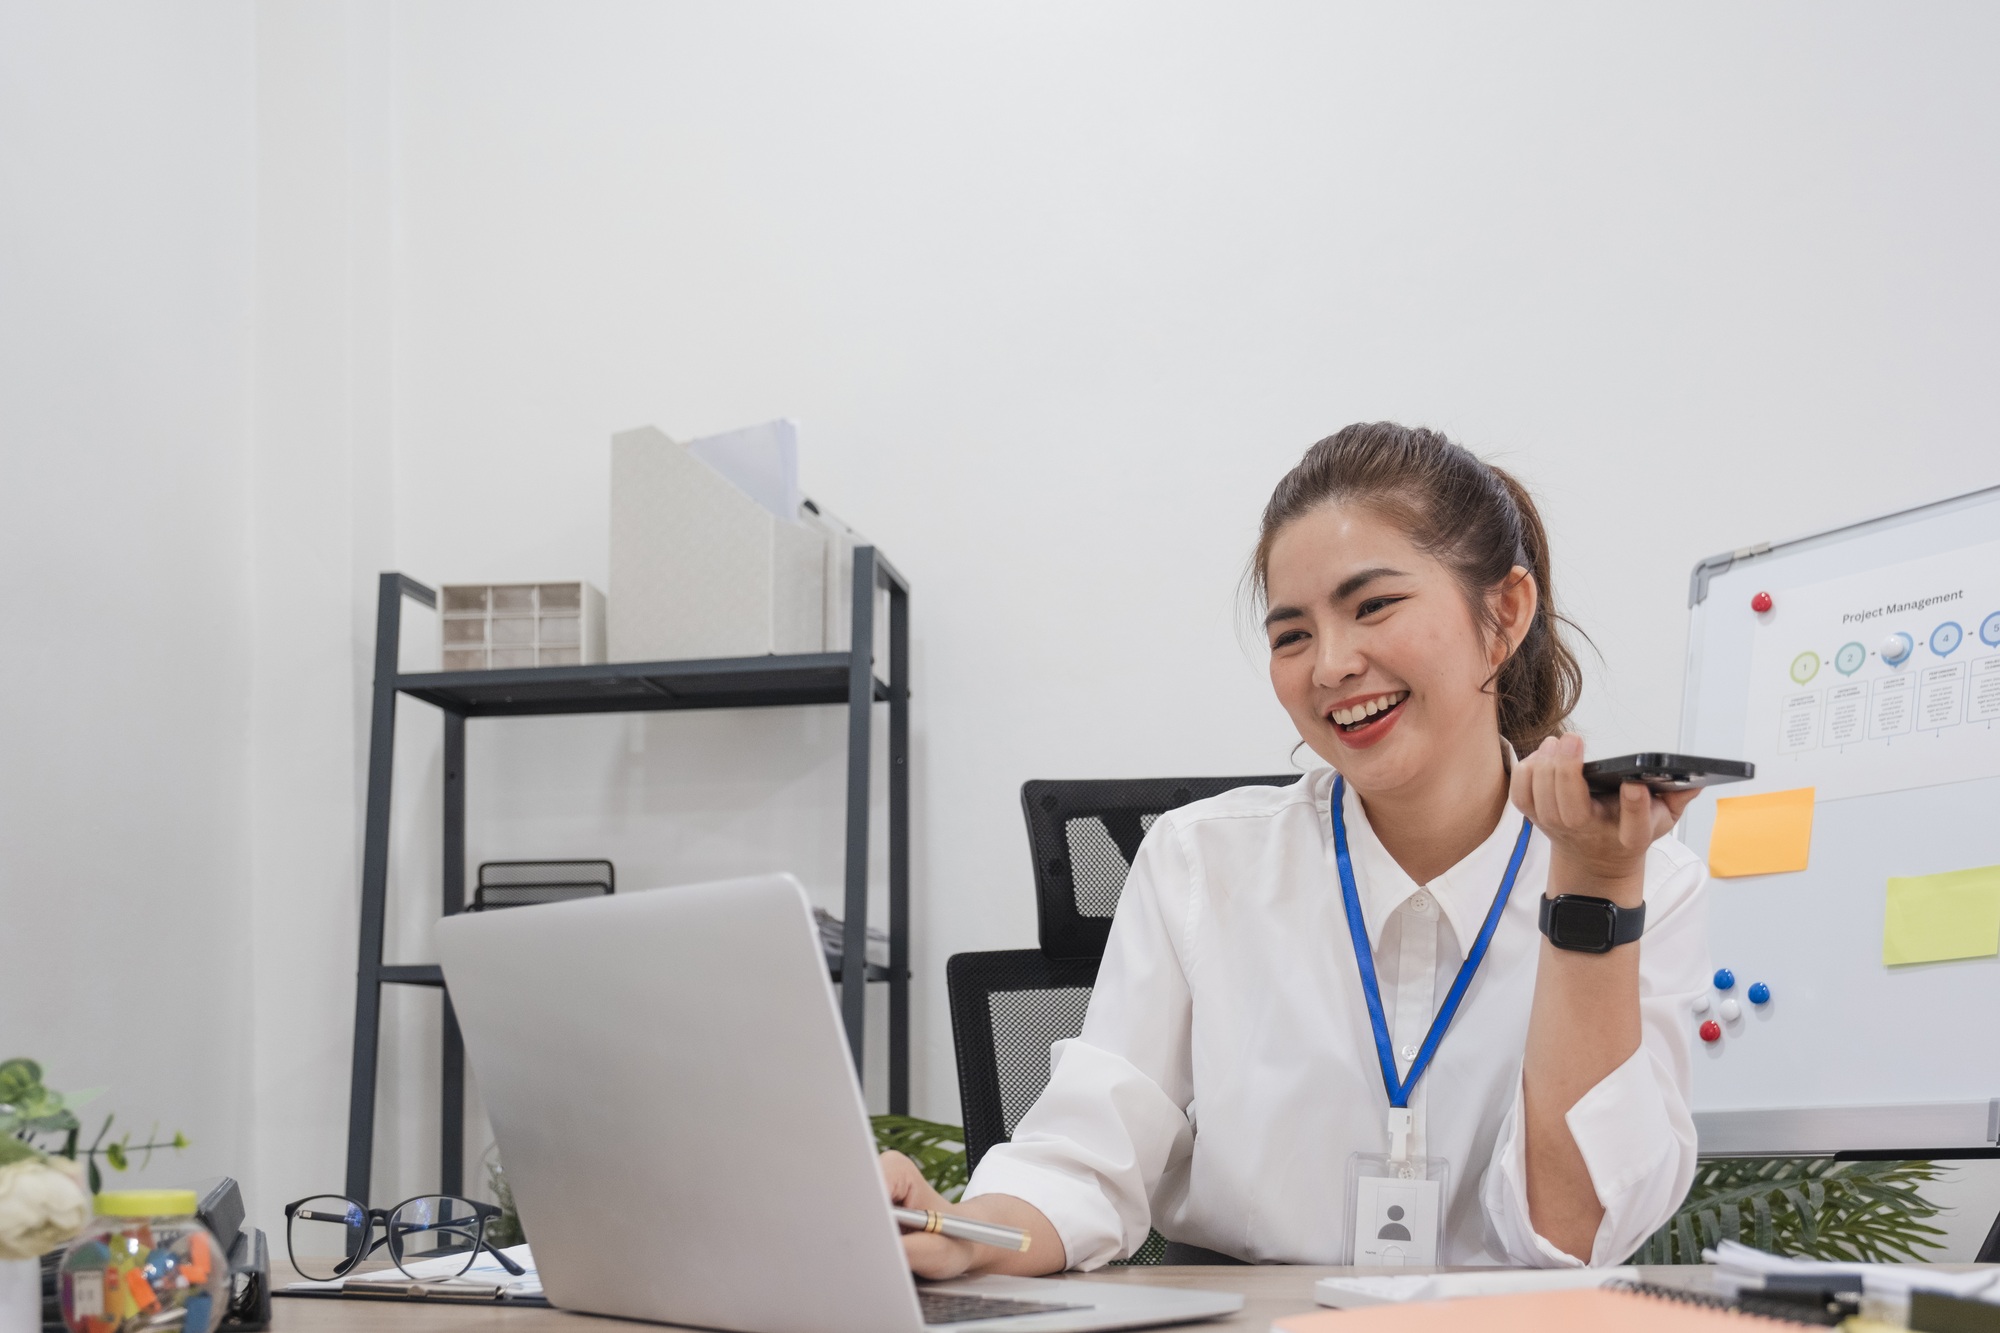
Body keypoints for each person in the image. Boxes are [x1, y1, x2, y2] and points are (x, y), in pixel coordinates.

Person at [882, 422, 1707, 1271]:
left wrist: (1595, 889)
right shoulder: (1201, 862)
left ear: (1504, 613)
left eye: (1373, 605)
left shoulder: (1647, 884)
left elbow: (1572, 1230)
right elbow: (1084, 1164)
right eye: (1291, 634)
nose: (1332, 664)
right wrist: (959, 1235)